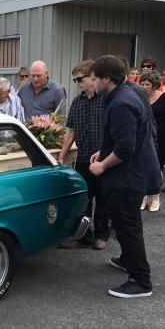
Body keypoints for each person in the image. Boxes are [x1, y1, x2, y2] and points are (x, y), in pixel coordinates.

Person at [89, 55, 160, 298]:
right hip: (125, 176)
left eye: (95, 78)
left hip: (127, 179)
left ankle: (140, 281)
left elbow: (126, 148)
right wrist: (103, 151)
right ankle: (127, 259)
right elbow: (124, 138)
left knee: (128, 228)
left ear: (107, 78)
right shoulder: (120, 96)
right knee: (123, 224)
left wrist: (102, 165)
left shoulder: (121, 103)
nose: (92, 82)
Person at [57, 60, 109, 250]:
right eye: (75, 80)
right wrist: (62, 155)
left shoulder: (105, 100)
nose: (77, 82)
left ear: (91, 78)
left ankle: (102, 235)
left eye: (80, 79)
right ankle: (84, 236)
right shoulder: (77, 102)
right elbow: (70, 131)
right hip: (83, 158)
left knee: (103, 200)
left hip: (104, 159)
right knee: (84, 200)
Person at [139, 71, 165, 212]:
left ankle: (156, 198)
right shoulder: (139, 97)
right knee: (142, 167)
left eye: (147, 84)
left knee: (156, 168)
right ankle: (143, 197)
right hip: (143, 137)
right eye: (142, 84)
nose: (144, 87)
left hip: (160, 137)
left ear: (154, 85)